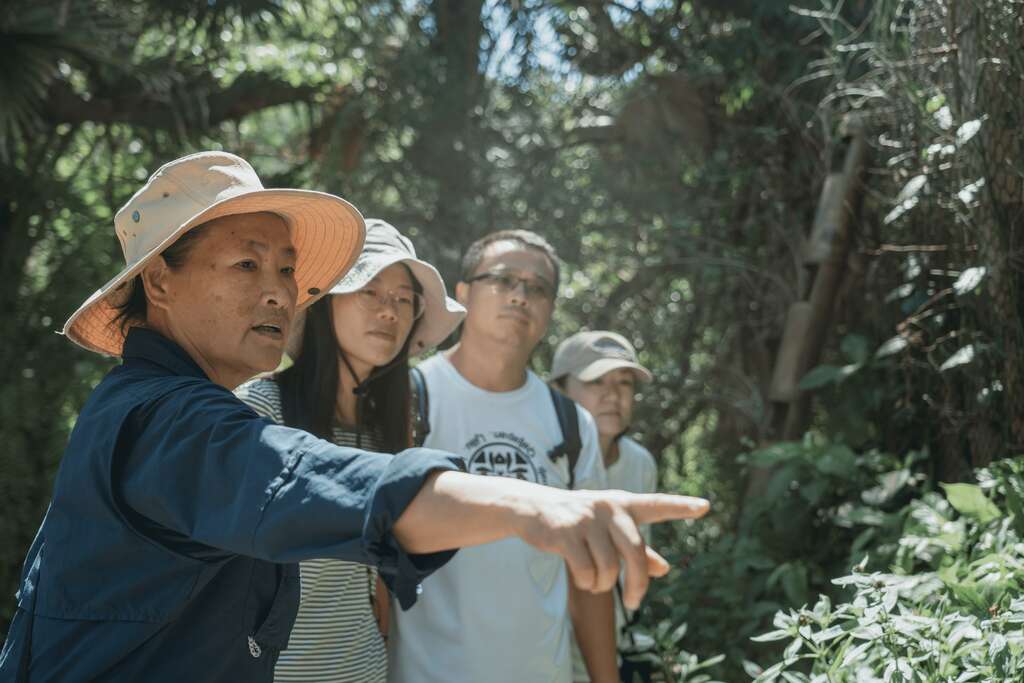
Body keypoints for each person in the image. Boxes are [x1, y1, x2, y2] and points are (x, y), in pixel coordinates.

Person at [0, 151, 709, 683]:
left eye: (286, 270)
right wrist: (532, 507)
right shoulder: (164, 419)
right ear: (160, 279)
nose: (279, 292)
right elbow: (298, 476)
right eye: (247, 266)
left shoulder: (169, 403)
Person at [235, 219, 465, 683]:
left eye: (404, 299)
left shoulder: (387, 430)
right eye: (370, 291)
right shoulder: (259, 410)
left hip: (364, 669)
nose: (389, 311)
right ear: (324, 304)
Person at [390, 230, 621, 683]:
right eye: (502, 280)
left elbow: (589, 576)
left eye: (537, 288)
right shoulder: (410, 399)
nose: (520, 296)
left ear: (550, 309)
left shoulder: (571, 424)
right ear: (463, 294)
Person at [550, 330, 659, 681]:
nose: (613, 395)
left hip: (611, 650)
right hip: (544, 651)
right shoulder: (539, 461)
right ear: (559, 391)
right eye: (597, 381)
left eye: (624, 383)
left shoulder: (640, 464)